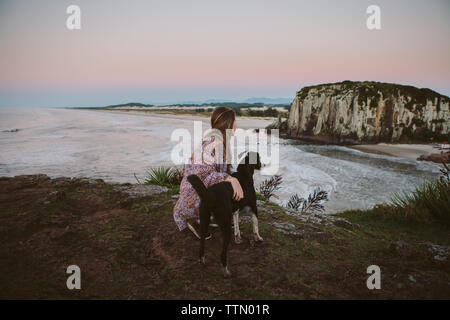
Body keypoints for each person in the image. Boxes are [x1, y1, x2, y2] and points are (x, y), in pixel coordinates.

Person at [173, 106, 244, 239]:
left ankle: (211, 215)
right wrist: (231, 180)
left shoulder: (221, 143)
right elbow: (204, 176)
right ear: (228, 123)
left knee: (234, 185)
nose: (236, 124)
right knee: (228, 185)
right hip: (194, 194)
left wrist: (237, 178)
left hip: (205, 191)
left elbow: (225, 169)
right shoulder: (211, 143)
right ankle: (193, 218)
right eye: (235, 121)